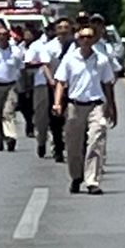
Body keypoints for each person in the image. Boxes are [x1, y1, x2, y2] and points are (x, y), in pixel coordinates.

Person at [53, 24, 118, 194]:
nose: (86, 40)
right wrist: (57, 103)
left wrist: (111, 107)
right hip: (75, 106)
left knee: (96, 141)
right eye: (83, 37)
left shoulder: (101, 60)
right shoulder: (70, 59)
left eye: (89, 37)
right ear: (78, 39)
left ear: (94, 39)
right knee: (73, 145)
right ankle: (76, 176)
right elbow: (60, 81)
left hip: (96, 105)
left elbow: (107, 84)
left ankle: (92, 181)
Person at [24, 20, 56, 158]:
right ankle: (41, 141)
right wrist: (42, 64)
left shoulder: (65, 45)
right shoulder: (37, 45)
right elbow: (27, 63)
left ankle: (57, 145)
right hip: (42, 83)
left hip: (61, 84)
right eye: (51, 29)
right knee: (41, 116)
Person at [46, 18, 76, 163]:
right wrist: (51, 80)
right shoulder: (49, 46)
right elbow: (45, 65)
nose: (63, 30)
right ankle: (58, 148)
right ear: (56, 30)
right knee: (55, 120)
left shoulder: (76, 45)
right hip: (55, 87)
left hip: (73, 87)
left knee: (72, 119)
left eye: (66, 27)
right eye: (60, 27)